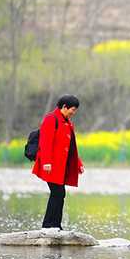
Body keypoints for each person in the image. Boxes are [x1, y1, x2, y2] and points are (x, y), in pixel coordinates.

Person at [32, 94, 85, 230]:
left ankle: (54, 225)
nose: (73, 112)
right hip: (51, 164)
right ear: (64, 107)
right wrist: (46, 162)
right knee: (58, 192)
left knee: (59, 193)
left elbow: (71, 145)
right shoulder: (51, 119)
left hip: (61, 165)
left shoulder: (66, 122)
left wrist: (78, 164)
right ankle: (50, 225)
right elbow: (45, 142)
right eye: (72, 109)